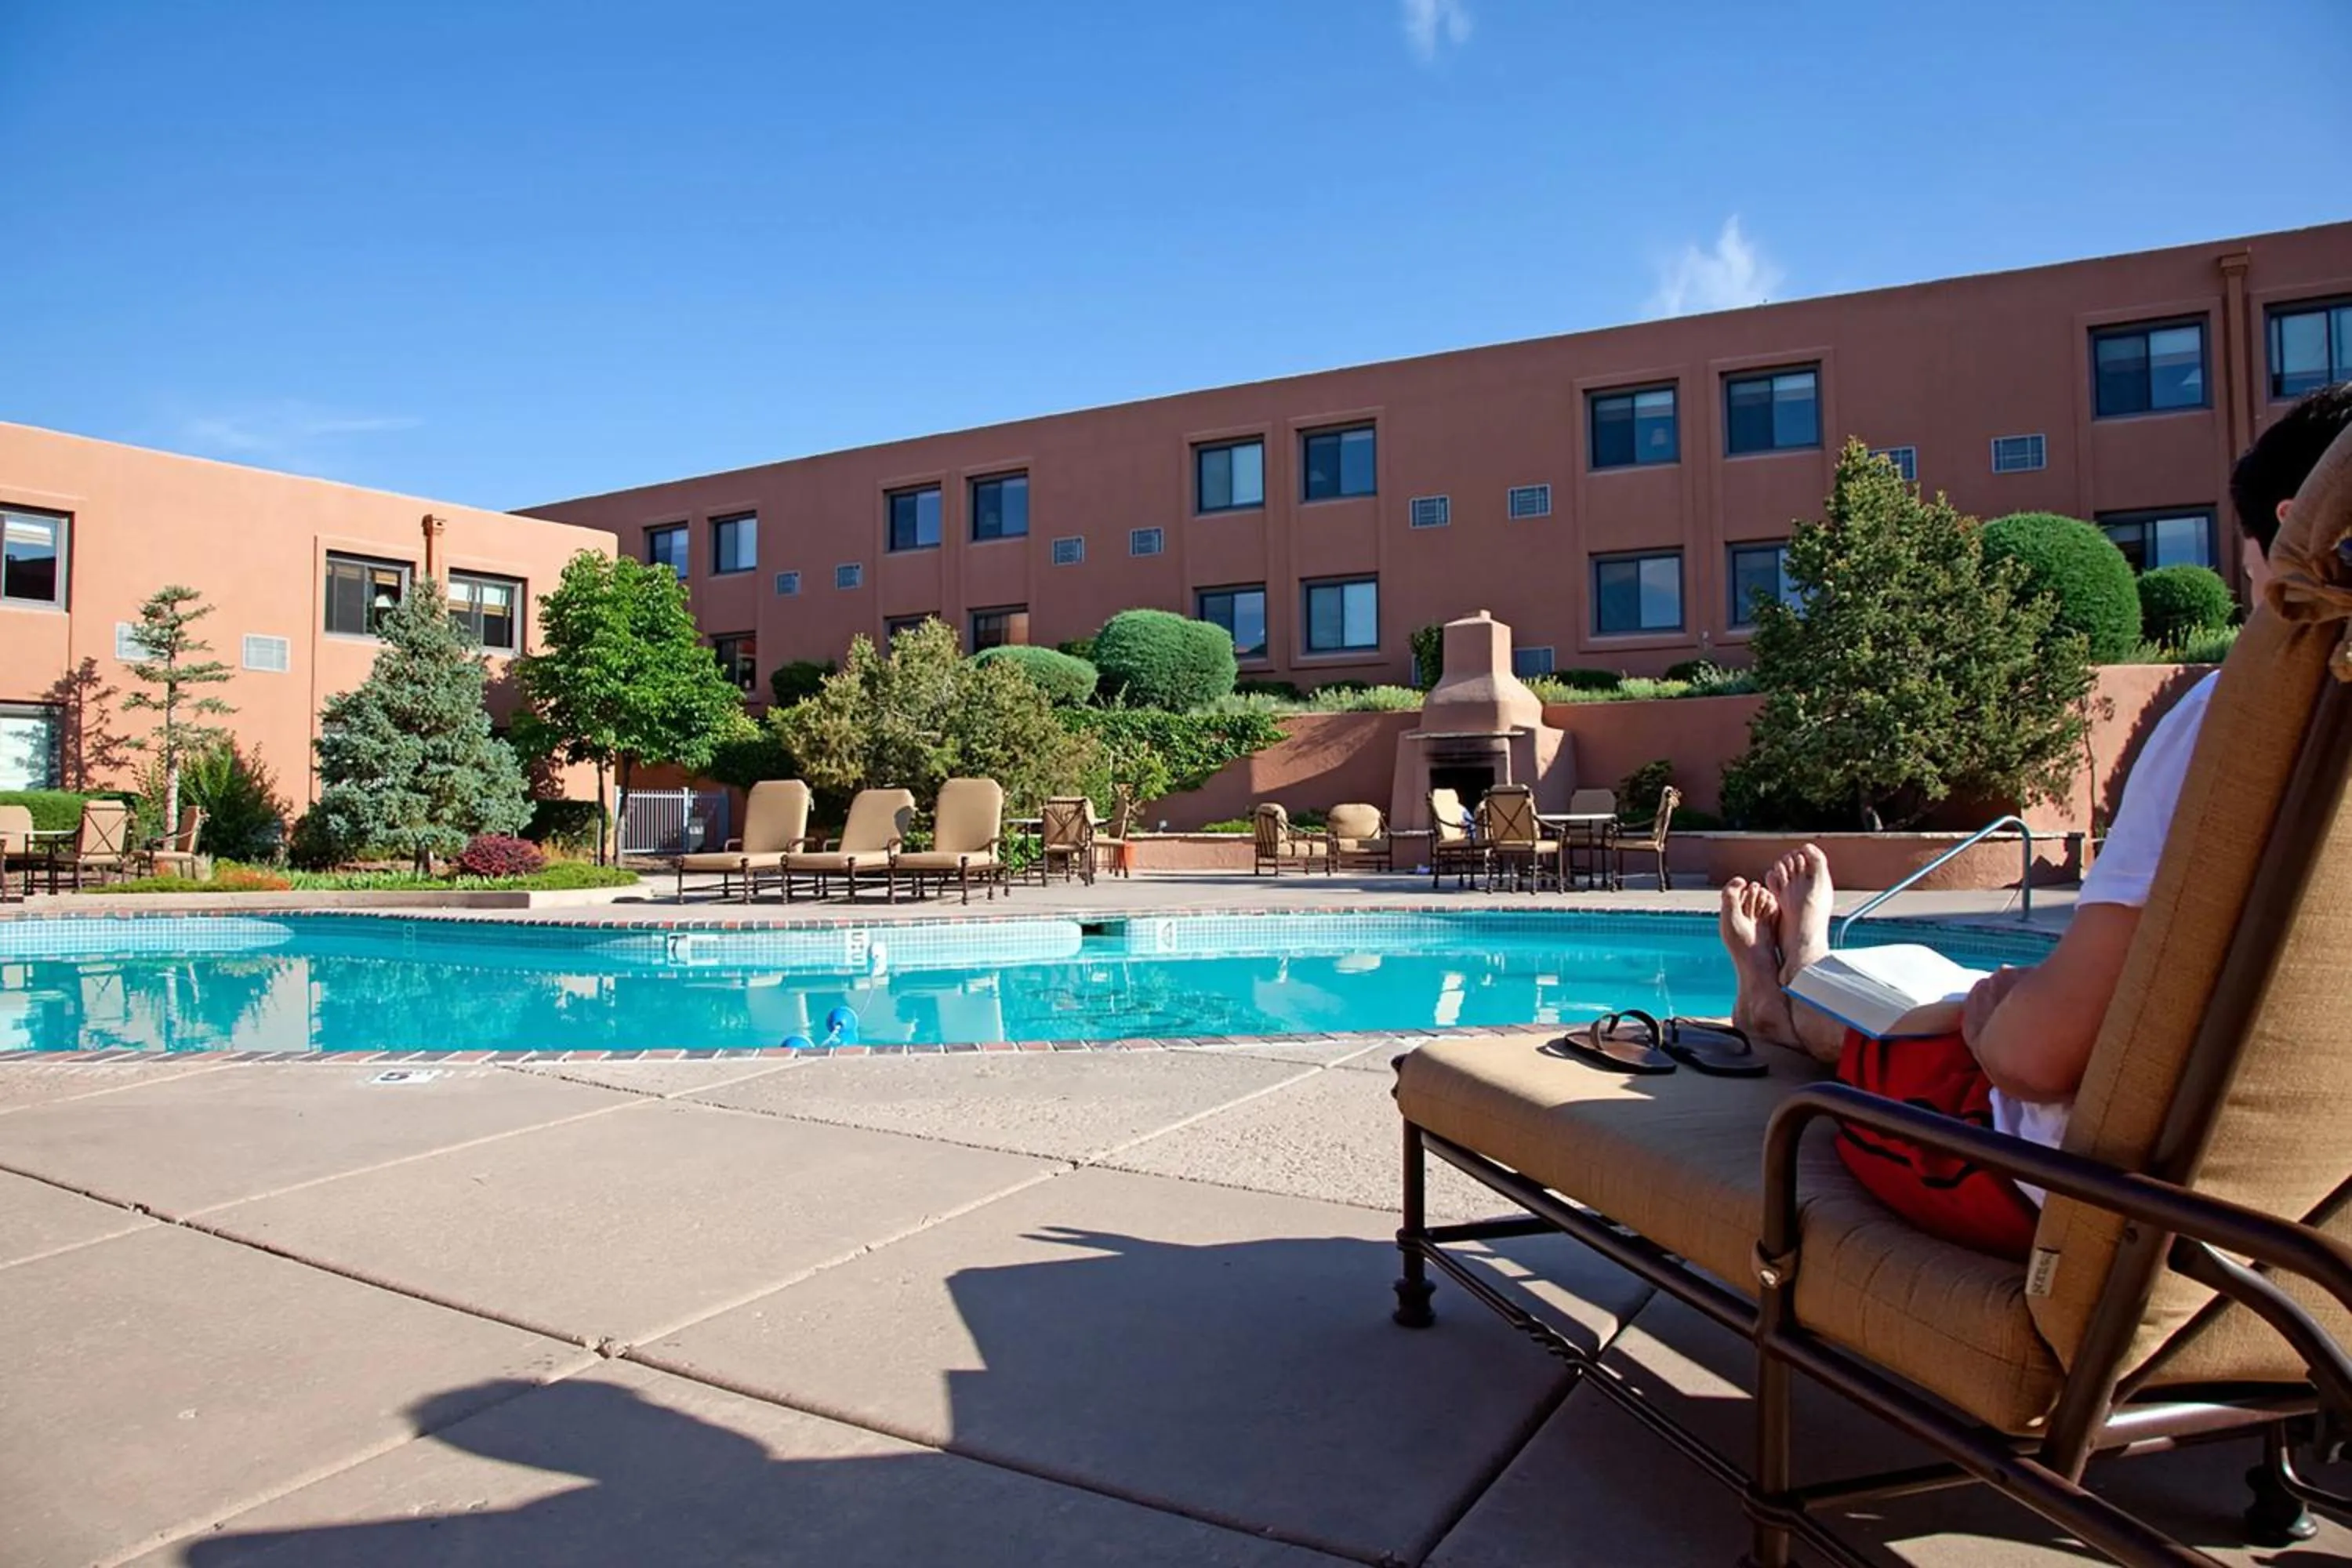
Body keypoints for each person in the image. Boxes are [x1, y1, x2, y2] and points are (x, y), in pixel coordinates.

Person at [1719, 380, 2352, 1258]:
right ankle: (1801, 981)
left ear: (2295, 533)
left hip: (2092, 1196)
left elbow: (2039, 1061)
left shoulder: (2246, 725)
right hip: (2308, 1229)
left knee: (1918, 1035)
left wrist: (1997, 1026)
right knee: (1961, 999)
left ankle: (1790, 990)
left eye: (2246, 570)